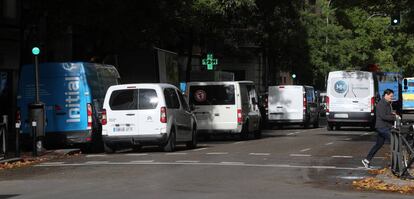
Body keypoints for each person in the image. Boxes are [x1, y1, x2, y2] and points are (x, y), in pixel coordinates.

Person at [362, 89, 396, 169]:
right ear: (386, 95)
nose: (392, 97)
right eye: (391, 96)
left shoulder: (387, 103)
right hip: (382, 127)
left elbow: (387, 114)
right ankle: (394, 163)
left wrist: (392, 114)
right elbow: (383, 116)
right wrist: (394, 117)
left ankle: (366, 160)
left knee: (378, 144)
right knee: (394, 141)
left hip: (384, 127)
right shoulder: (381, 104)